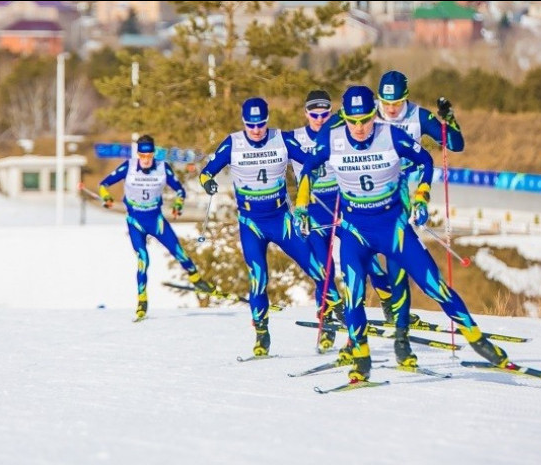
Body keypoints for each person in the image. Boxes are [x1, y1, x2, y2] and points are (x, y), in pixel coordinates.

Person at [294, 85, 509, 381]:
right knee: (353, 295)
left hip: (393, 227)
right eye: (353, 121)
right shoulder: (332, 140)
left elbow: (425, 161)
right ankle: (360, 356)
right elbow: (307, 170)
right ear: (344, 117)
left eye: (366, 119)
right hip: (355, 231)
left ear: (375, 115)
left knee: (435, 286)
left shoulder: (390, 135)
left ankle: (477, 339)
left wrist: (421, 196)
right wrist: (302, 205)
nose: (359, 128)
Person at [199, 97, 343, 356]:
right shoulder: (234, 143)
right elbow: (206, 171)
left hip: (281, 219)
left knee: (318, 268)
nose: (256, 130)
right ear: (244, 123)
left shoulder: (282, 139)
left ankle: (332, 313)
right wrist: (208, 182)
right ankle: (262, 334)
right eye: (251, 125)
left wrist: (314, 169)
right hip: (251, 223)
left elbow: (310, 159)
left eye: (261, 124)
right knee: (259, 278)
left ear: (268, 120)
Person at [290, 90, 395, 335]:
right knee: (323, 268)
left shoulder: (343, 134)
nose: (320, 119)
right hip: (315, 210)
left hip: (342, 205)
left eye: (325, 114)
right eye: (314, 114)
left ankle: (391, 305)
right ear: (306, 113)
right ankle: (330, 319)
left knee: (368, 261)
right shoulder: (292, 138)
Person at [373, 70, 465, 329]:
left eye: (397, 103)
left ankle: (399, 311)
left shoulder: (418, 116)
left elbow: (455, 145)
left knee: (397, 247)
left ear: (406, 98)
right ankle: (388, 302)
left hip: (406, 185)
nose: (390, 110)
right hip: (371, 189)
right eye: (386, 103)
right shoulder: (367, 114)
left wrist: (449, 121)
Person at [99, 134, 215, 321]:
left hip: (156, 220)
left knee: (179, 252)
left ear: (153, 154)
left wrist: (178, 206)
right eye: (142, 156)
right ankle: (142, 301)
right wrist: (106, 197)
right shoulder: (128, 167)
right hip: (135, 221)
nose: (146, 160)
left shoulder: (162, 167)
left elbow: (179, 190)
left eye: (149, 155)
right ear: (138, 154)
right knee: (143, 258)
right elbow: (104, 184)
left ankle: (197, 280)